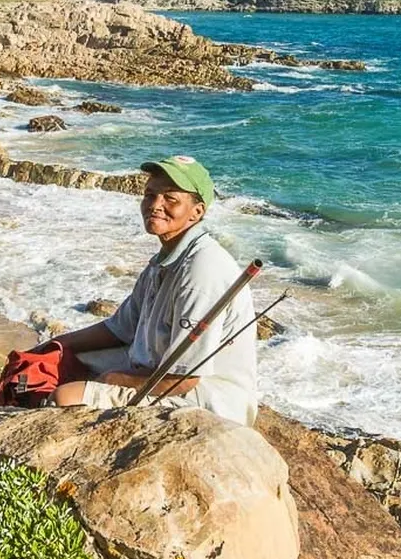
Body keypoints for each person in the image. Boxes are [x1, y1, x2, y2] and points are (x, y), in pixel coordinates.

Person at [49, 156, 258, 426]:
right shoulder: (162, 261)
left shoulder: (203, 269)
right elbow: (118, 329)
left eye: (171, 199)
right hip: (155, 371)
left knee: (66, 396)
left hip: (205, 401)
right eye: (150, 195)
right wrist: (55, 346)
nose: (155, 205)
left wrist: (115, 379)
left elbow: (184, 379)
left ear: (197, 212)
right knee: (65, 361)